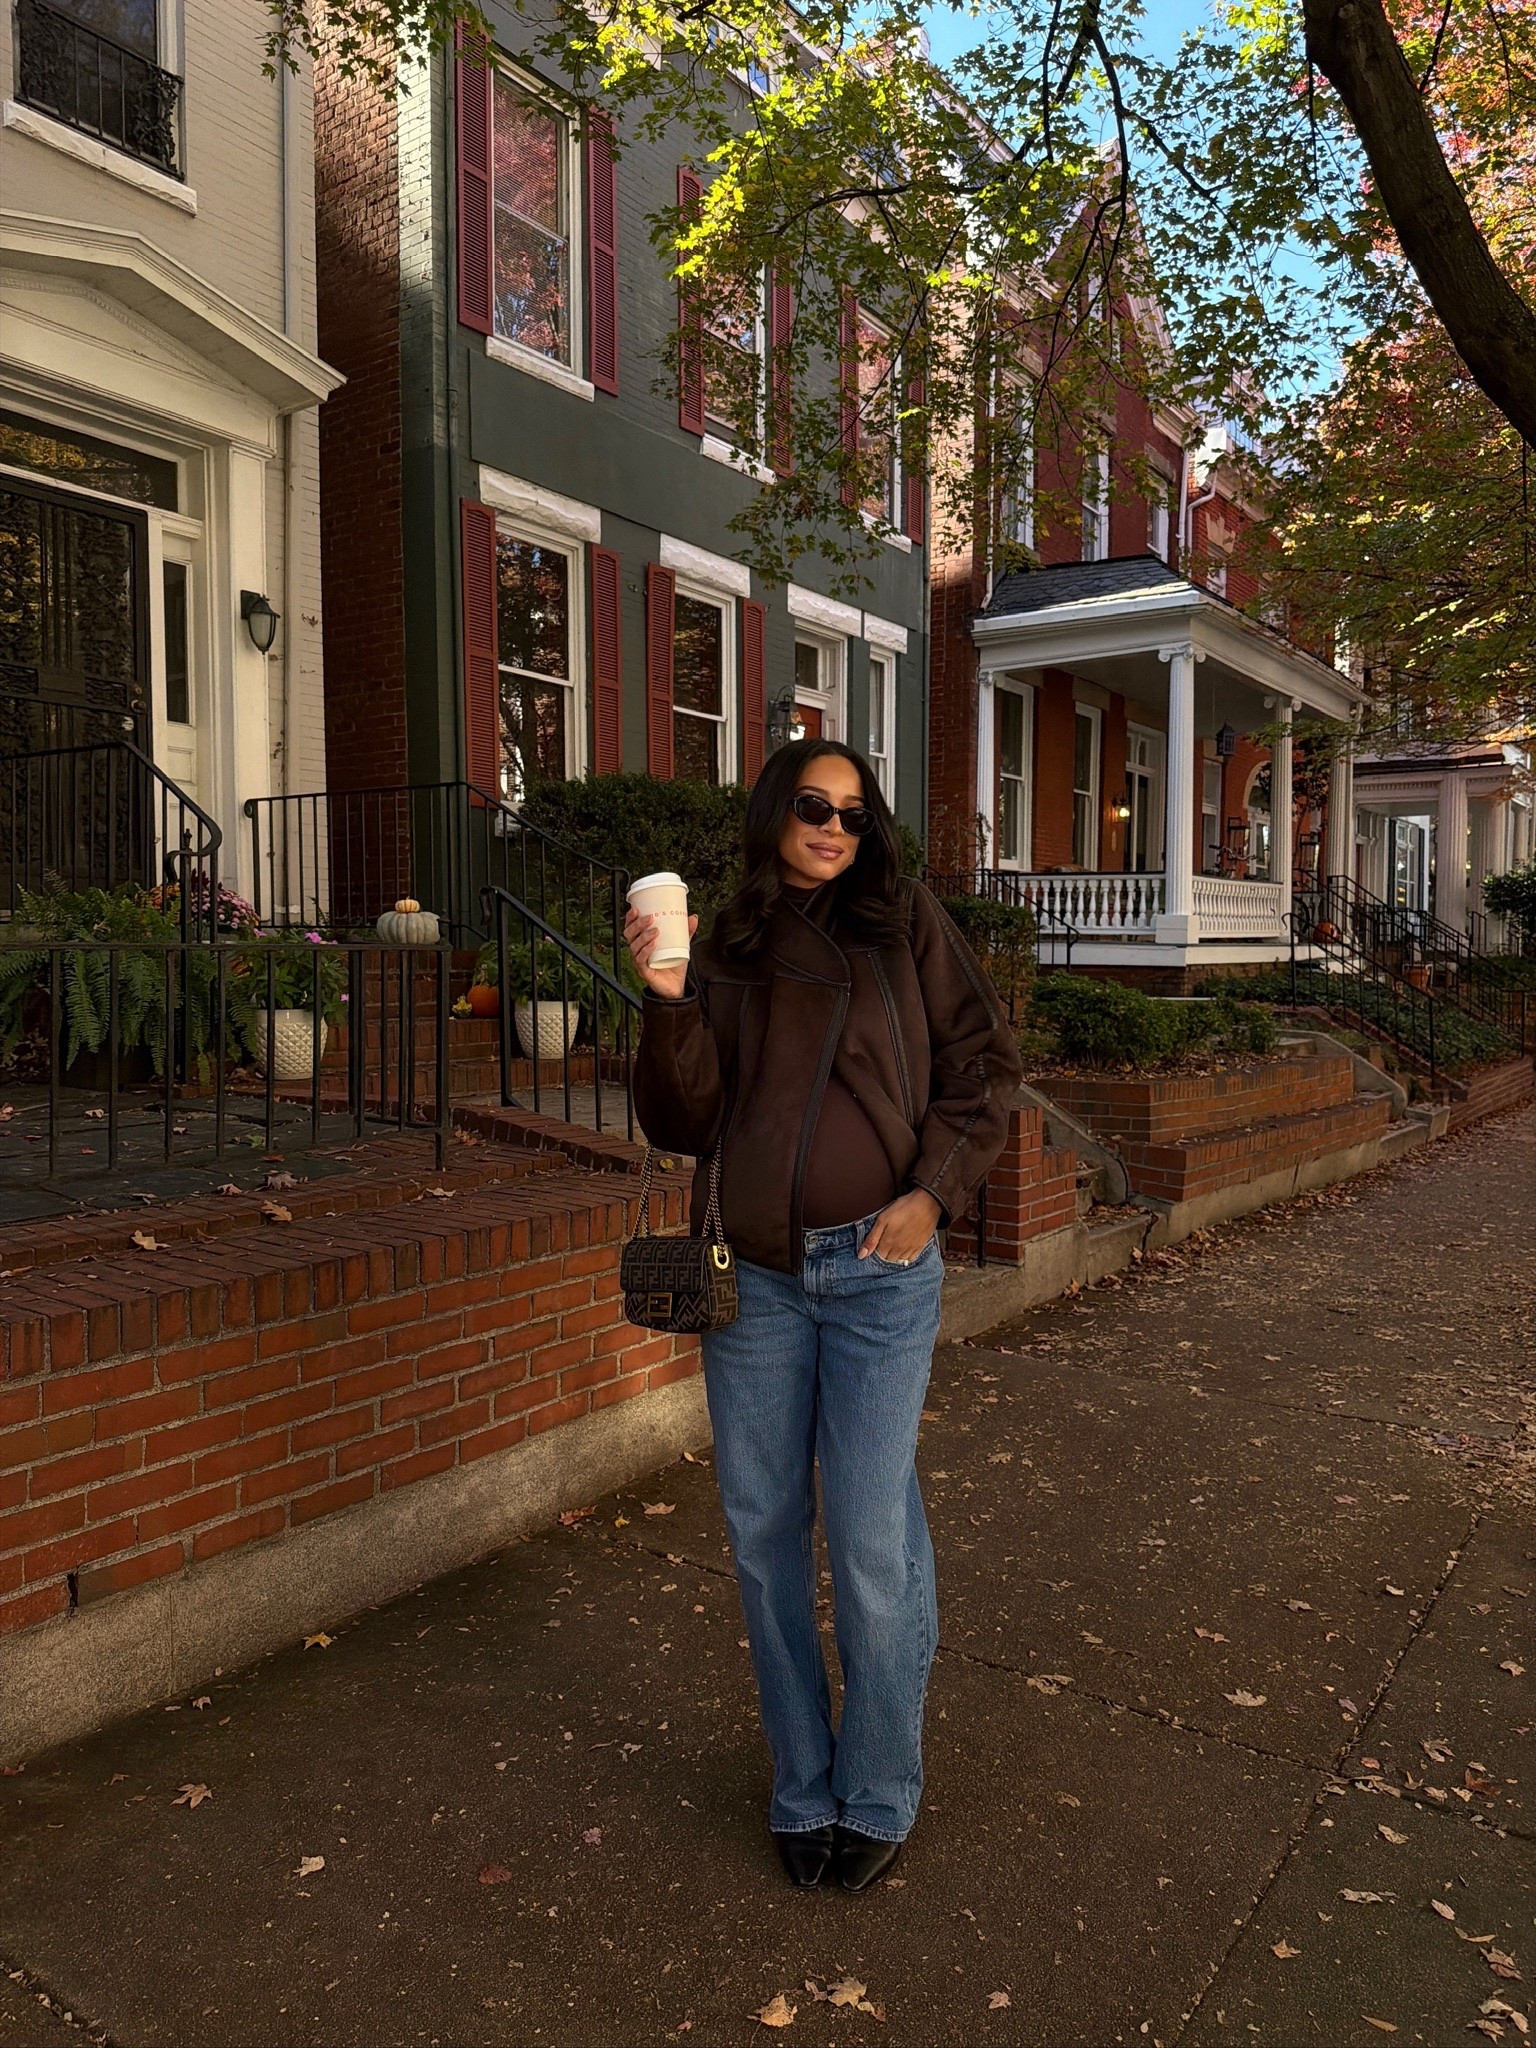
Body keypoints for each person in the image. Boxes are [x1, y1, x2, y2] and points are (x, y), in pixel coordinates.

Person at [625, 737, 1022, 1893]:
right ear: (774, 812)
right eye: (812, 804)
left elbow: (985, 1066)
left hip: (879, 1273)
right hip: (754, 1277)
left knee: (863, 1535)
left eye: (853, 812)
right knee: (764, 1533)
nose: (833, 827)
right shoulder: (729, 943)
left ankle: (881, 1778)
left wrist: (928, 1193)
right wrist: (665, 996)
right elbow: (684, 1117)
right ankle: (803, 1779)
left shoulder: (904, 923)